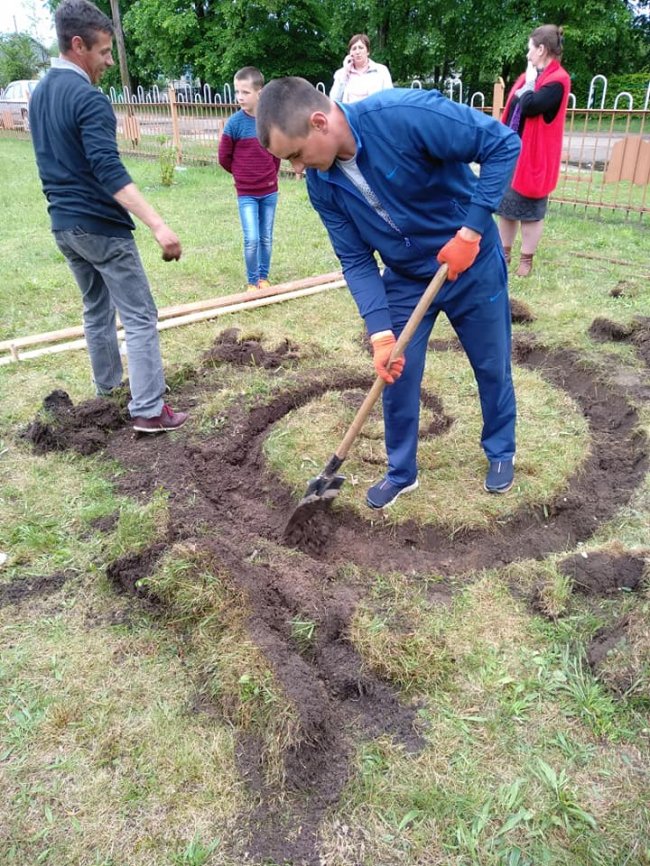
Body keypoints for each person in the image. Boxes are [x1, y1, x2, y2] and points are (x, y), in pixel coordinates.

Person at [257, 79, 521, 507]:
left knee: (491, 363)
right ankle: (401, 472)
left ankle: (500, 450)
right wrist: (380, 333)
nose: (296, 169)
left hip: (469, 261)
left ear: (319, 122)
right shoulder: (321, 186)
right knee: (396, 371)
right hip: (408, 276)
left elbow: (502, 144)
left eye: (296, 155)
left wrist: (471, 231)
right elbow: (357, 260)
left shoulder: (403, 115)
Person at [29, 0, 187, 433]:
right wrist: (158, 224)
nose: (108, 61)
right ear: (77, 45)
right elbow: (109, 170)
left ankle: (110, 393)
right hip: (100, 227)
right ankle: (150, 409)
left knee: (96, 311)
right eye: (103, 52)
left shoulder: (40, 93)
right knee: (139, 315)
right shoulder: (89, 99)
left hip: (63, 226)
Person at [497, 25, 570, 277]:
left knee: (530, 212)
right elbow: (514, 103)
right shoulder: (531, 76)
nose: (527, 55)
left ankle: (526, 260)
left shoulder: (557, 81)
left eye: (530, 49)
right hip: (513, 152)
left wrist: (529, 83)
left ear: (541, 49)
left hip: (535, 157)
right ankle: (503, 254)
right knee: (506, 208)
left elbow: (528, 104)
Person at [218, 66, 281, 291]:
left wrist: (270, 176)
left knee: (265, 237)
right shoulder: (234, 123)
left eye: (245, 92)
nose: (240, 97)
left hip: (269, 191)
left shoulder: (268, 121)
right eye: (237, 92)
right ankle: (252, 281)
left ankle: (263, 277)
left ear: (259, 93)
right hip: (246, 193)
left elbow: (276, 152)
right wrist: (242, 175)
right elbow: (224, 157)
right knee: (251, 238)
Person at [329, 33, 393, 104]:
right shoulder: (341, 73)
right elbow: (333, 100)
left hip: (373, 113)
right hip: (350, 113)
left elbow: (389, 99)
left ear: (368, 51)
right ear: (350, 53)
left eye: (361, 47)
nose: (357, 52)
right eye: (354, 48)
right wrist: (345, 73)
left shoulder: (381, 71)